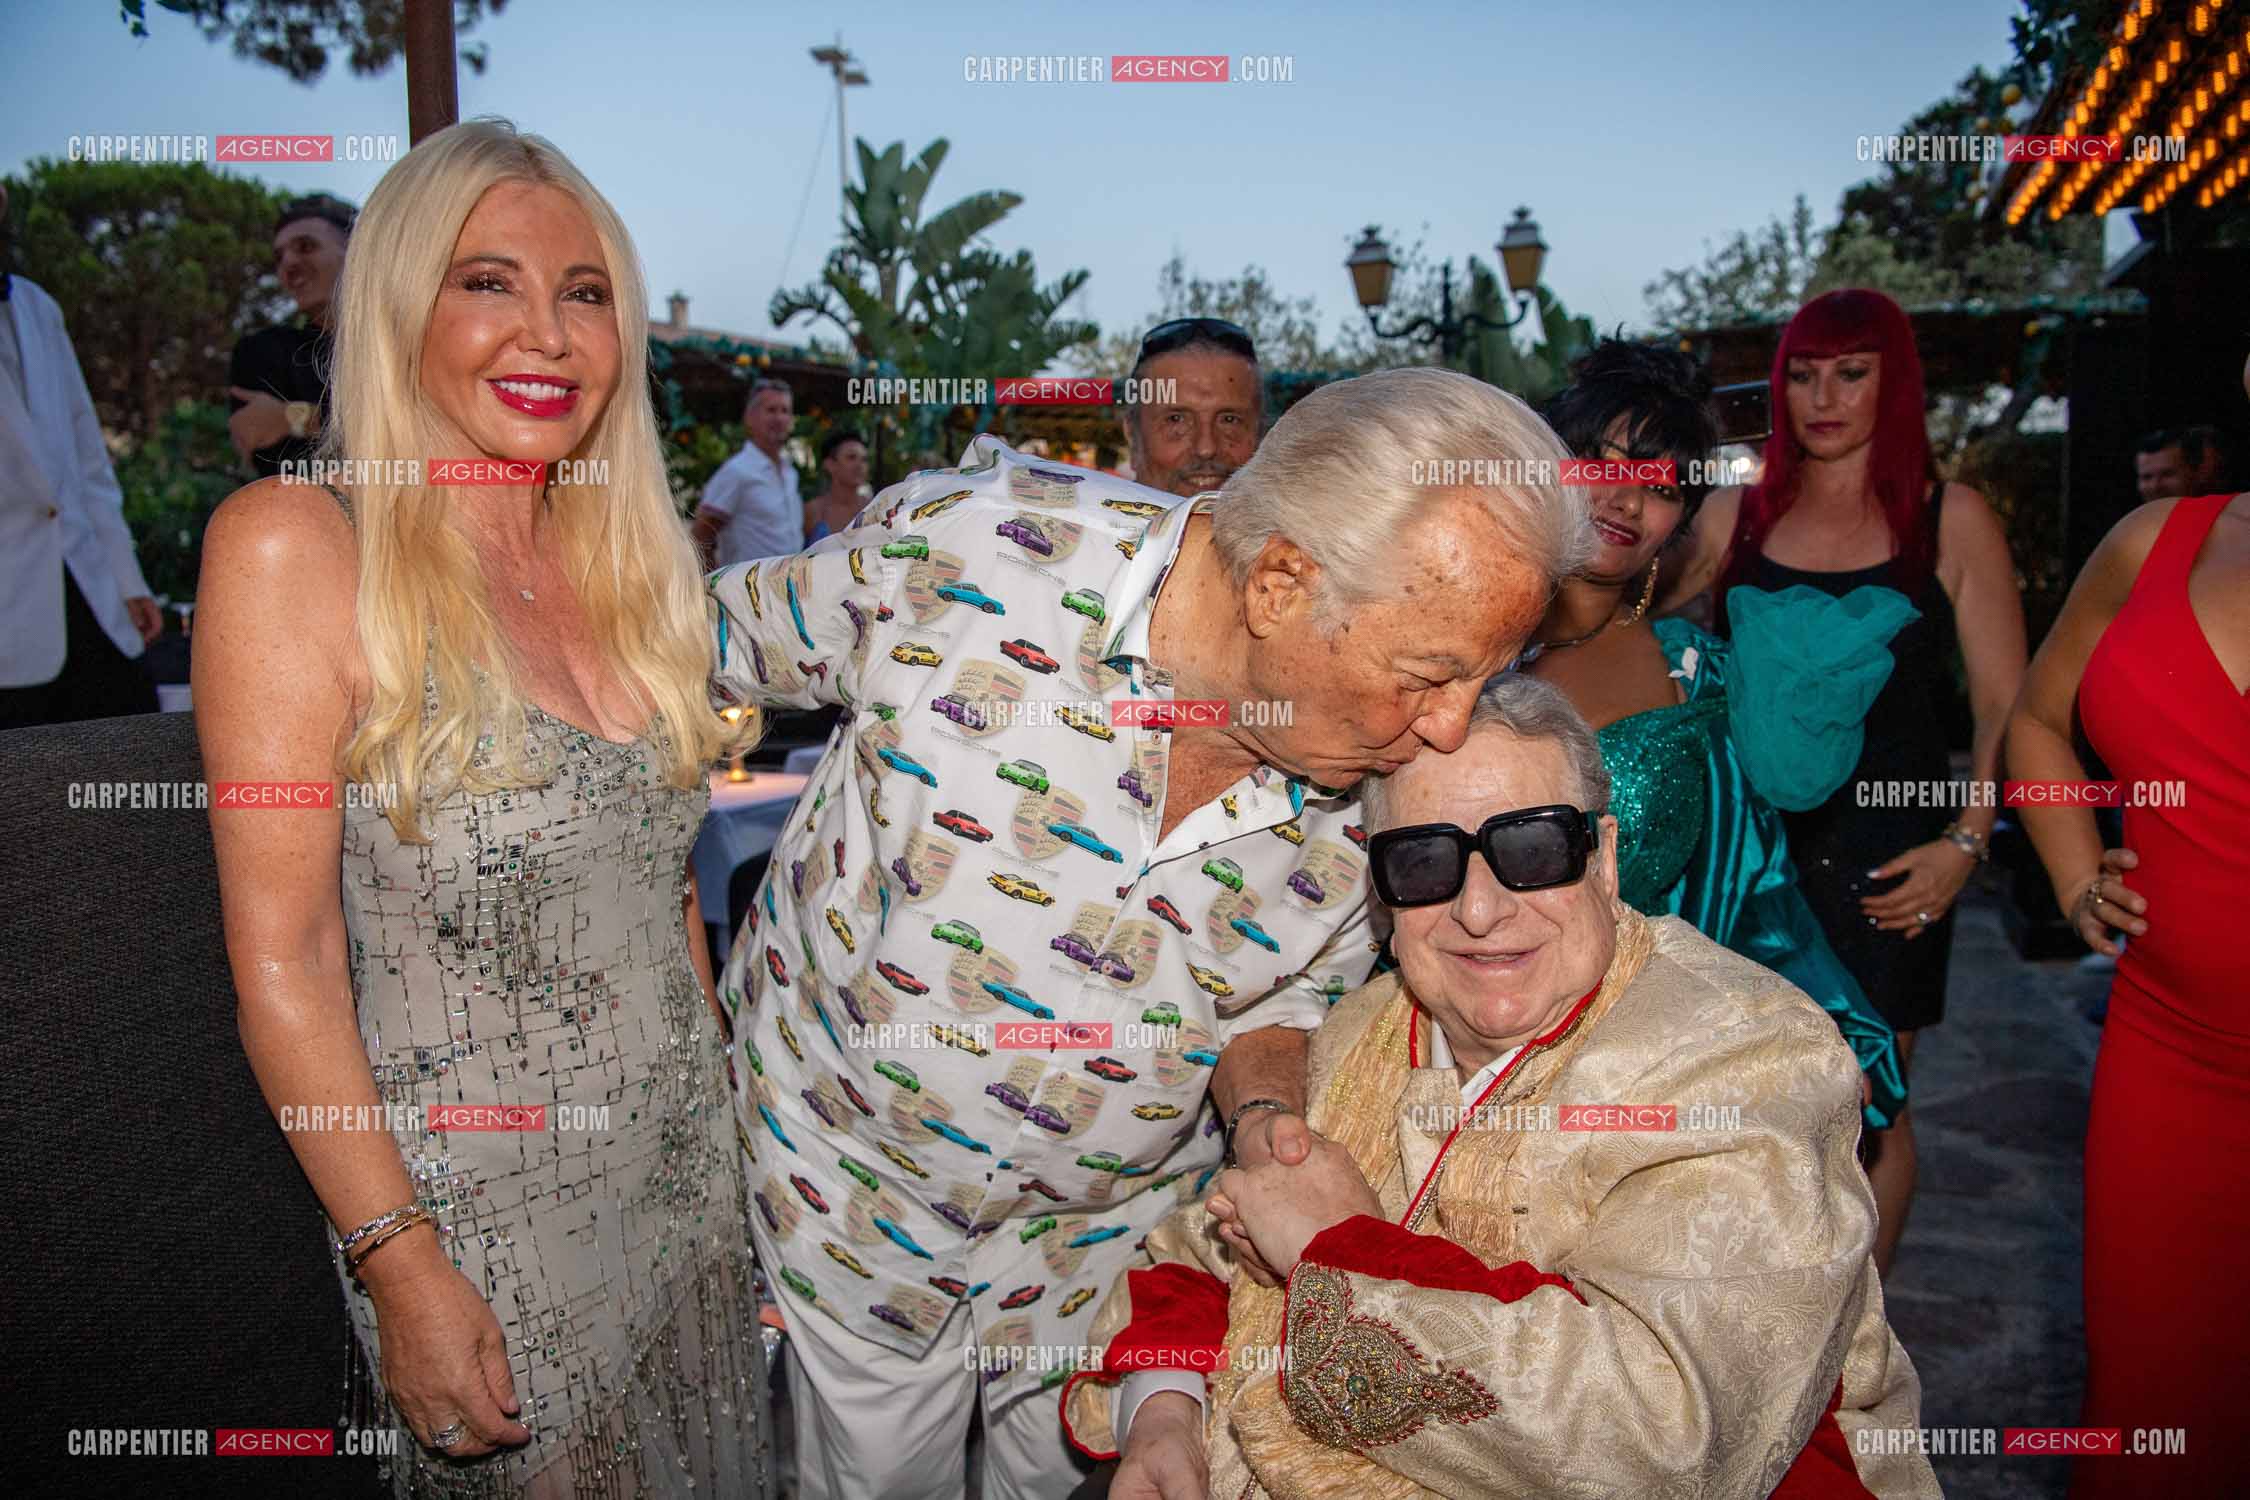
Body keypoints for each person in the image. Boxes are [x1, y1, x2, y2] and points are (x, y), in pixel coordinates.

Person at [704, 367, 1586, 1500]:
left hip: (1096, 1259)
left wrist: (1267, 1116)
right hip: (856, 1207)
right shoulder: (968, 556)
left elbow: (1283, 1000)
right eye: (1428, 674)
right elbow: (664, 663)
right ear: (1279, 583)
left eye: (1485, 676)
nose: (1452, 726)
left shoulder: (1389, 769)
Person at [194, 120, 768, 1495]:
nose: (549, 334)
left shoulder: (625, 572)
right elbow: (287, 957)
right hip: (477, 1215)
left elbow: (669, 898)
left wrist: (735, 1157)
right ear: (398, 303)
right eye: (488, 282)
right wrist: (396, 1261)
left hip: (685, 1169)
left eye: (584, 294)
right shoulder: (293, 546)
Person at [1064, 674, 1937, 1500]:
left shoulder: (1749, 1058)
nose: (1479, 911)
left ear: (1602, 860)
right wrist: (1163, 1414)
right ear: (1383, 893)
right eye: (1424, 864)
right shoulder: (1363, 1031)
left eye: (1530, 849)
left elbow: (1668, 1441)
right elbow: (1198, 1252)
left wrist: (1340, 1244)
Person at [1663, 288, 2027, 1276]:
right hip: (1749, 858)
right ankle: (1755, 1319)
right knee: (1744, 1098)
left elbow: (2008, 706)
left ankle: (1854, 1342)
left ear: (1893, 383)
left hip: (1895, 859)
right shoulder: (1738, 513)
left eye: (1852, 372)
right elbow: (1623, 616)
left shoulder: (1951, 519)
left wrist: (1968, 844)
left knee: (1874, 1105)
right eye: (1804, 373)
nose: (1824, 396)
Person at [1524, 339, 1905, 1126]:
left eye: (1660, 486)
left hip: (1640, 1063)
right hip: (1446, 1038)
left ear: (1681, 525)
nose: (1626, 500)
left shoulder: (1698, 683)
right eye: (1600, 463)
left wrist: (1818, 1031)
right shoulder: (1452, 649)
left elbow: (1758, 893)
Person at [2007, 370, 2250, 1499]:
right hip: (2170, 1057)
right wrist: (2071, 876)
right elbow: (2040, 722)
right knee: (2151, 1414)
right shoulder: (2158, 541)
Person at [0, 180, 163, 730]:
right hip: (10, 617)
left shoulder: (37, 306)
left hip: (90, 592)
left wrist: (127, 577)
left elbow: (87, 454)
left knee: (135, 752)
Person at [228, 193, 354, 478]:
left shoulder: (413, 338)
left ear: (357, 249)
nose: (289, 263)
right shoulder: (262, 353)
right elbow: (281, 467)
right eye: (279, 256)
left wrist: (292, 417)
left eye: (305, 246)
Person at [1120, 317, 1263, 498]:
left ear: (1261, 438)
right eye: (1176, 419)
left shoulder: (1299, 524)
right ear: (1133, 436)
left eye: (1229, 420)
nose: (1206, 449)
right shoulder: (1085, 523)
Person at [694, 377, 801, 567]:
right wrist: (717, 588)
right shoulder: (737, 471)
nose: (780, 418)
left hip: (790, 591)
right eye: (771, 410)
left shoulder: (790, 472)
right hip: (748, 593)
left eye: (785, 411)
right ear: (749, 418)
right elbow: (700, 537)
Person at [2132, 424, 2227, 504]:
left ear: (2199, 472)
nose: (2155, 486)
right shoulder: (2133, 524)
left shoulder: (2231, 519)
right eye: (2146, 477)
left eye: (2167, 474)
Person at [805, 428, 869, 542]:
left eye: (864, 459)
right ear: (830, 465)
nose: (860, 465)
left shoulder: (874, 507)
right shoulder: (813, 511)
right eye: (851, 457)